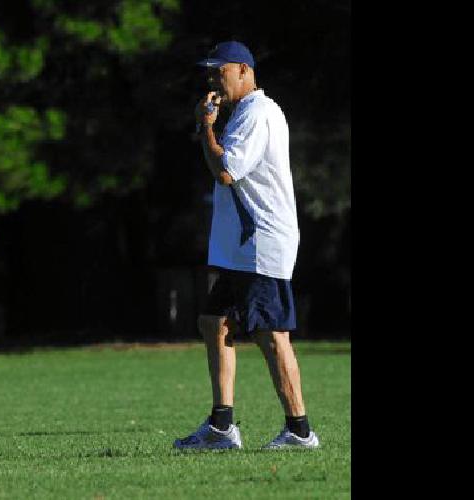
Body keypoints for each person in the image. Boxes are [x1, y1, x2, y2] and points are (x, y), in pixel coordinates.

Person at [173, 41, 320, 450]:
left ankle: (300, 430)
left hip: (260, 243)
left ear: (243, 70)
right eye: (210, 72)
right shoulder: (246, 113)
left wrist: (206, 126)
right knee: (214, 322)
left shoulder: (258, 113)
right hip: (241, 246)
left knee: (272, 336)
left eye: (219, 71)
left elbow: (226, 171)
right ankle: (222, 428)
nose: (212, 80)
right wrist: (210, 127)